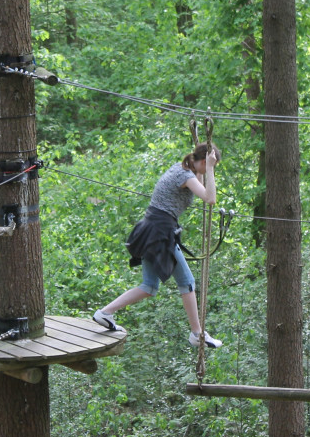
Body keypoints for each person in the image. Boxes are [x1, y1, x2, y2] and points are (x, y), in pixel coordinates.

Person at [93, 142, 223, 348]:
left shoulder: (181, 168)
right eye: (207, 164)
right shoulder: (185, 176)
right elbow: (210, 198)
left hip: (151, 230)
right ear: (201, 161)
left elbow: (199, 185)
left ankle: (104, 313)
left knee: (149, 286)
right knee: (187, 282)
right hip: (160, 233)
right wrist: (210, 168)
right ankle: (197, 334)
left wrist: (205, 165)